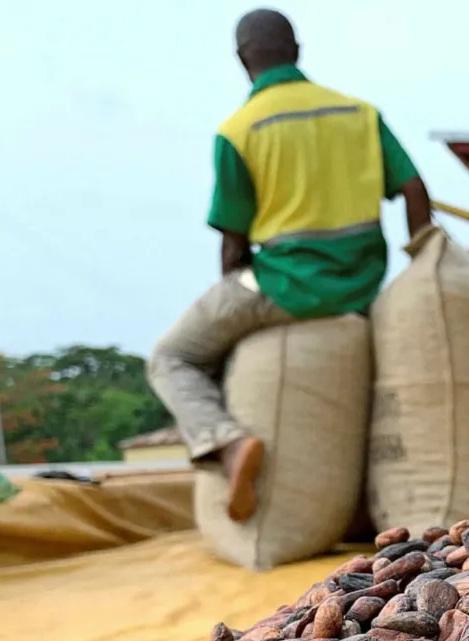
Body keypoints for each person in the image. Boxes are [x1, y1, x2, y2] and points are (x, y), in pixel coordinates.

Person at [147, 8, 431, 522]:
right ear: (297, 49)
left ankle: (226, 443)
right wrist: (421, 267)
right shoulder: (358, 113)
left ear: (241, 60)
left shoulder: (238, 130)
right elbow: (413, 189)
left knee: (172, 357)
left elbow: (233, 247)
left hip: (282, 288)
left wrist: (232, 303)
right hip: (361, 285)